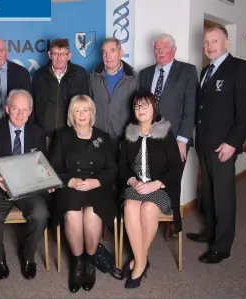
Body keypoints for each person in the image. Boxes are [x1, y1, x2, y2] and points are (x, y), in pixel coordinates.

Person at [186, 26, 246, 264]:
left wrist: (233, 143)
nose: (209, 46)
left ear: (226, 42)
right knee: (208, 191)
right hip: (205, 143)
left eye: (215, 41)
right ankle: (211, 231)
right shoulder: (205, 70)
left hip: (224, 145)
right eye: (206, 42)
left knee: (224, 195)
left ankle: (222, 245)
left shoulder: (240, 68)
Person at [49, 95, 118, 293]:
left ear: (92, 113)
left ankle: (90, 262)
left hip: (97, 186)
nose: (82, 115)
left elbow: (112, 169)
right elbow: (53, 167)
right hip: (71, 185)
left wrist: (96, 181)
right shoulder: (62, 136)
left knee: (92, 215)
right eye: (77, 110)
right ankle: (77, 263)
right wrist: (69, 180)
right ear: (71, 114)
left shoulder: (102, 137)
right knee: (72, 214)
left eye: (85, 110)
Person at [0, 89, 49, 280]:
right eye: (16, 109)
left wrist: (46, 179)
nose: (20, 114)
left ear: (30, 111)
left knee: (41, 214)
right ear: (7, 108)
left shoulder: (37, 133)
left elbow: (41, 165)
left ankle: (28, 257)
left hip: (28, 190)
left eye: (25, 110)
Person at [119, 91, 183, 288]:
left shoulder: (164, 132)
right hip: (136, 184)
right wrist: (133, 182)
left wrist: (157, 183)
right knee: (130, 206)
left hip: (161, 187)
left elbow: (176, 166)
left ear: (154, 108)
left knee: (148, 209)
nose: (141, 109)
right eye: (137, 106)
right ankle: (142, 261)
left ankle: (138, 263)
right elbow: (121, 166)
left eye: (145, 105)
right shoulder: (130, 133)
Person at [137, 33, 198, 237]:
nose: (160, 51)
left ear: (174, 49)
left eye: (164, 47)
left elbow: (190, 108)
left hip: (175, 138)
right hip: (149, 136)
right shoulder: (144, 74)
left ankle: (174, 221)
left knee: (173, 178)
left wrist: (183, 140)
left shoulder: (187, 71)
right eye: (156, 48)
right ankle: (151, 212)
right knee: (151, 175)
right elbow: (139, 106)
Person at [32, 38, 89, 152]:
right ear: (49, 54)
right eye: (56, 54)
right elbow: (33, 105)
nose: (59, 58)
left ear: (69, 55)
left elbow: (86, 103)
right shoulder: (39, 75)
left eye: (63, 54)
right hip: (46, 135)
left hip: (72, 133)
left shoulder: (80, 74)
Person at [89, 37, 137, 159]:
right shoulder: (93, 76)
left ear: (121, 52)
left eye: (112, 51)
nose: (107, 56)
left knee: (121, 175)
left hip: (123, 137)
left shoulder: (133, 77)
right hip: (98, 135)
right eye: (104, 52)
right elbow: (88, 104)